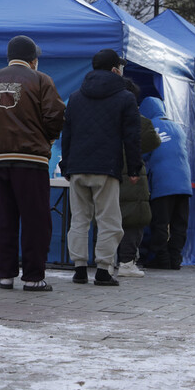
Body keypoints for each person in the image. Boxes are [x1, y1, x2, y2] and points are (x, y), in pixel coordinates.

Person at [0, 36, 66, 292]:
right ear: (33, 59)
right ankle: (33, 277)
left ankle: (5, 275)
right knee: (35, 219)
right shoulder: (41, 80)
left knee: (4, 218)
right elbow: (56, 115)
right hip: (31, 159)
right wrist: (46, 138)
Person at [60, 49, 142, 287]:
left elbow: (67, 135)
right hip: (106, 168)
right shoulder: (126, 98)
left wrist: (66, 164)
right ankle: (104, 270)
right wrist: (135, 169)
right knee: (109, 221)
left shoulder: (75, 96)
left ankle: (79, 269)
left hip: (77, 167)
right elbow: (132, 137)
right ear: (115, 70)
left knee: (79, 220)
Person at [139, 97, 192, 270]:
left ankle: (160, 259)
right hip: (184, 182)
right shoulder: (177, 127)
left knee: (160, 223)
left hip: (163, 183)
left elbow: (144, 154)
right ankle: (175, 259)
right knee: (179, 223)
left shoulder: (149, 126)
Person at [116, 81, 160, 278]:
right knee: (134, 220)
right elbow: (153, 141)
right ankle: (126, 262)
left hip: (107, 172)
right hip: (133, 175)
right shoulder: (140, 120)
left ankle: (105, 262)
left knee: (108, 219)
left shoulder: (104, 117)